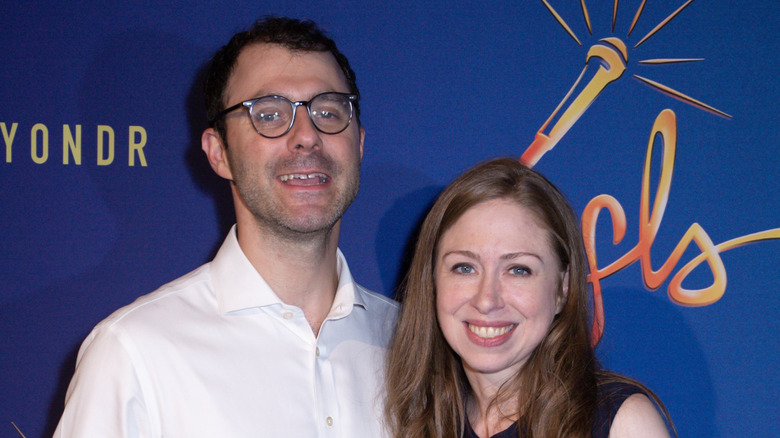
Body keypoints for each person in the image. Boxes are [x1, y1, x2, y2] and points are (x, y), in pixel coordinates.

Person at [55, 17, 398, 437]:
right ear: (218, 153)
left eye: (328, 111)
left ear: (359, 143)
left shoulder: (413, 346)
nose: (306, 136)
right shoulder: (135, 354)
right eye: (270, 114)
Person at [384, 158, 676, 438]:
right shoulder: (411, 421)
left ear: (562, 288)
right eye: (465, 267)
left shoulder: (620, 423)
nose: (487, 300)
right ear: (432, 280)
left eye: (518, 270)